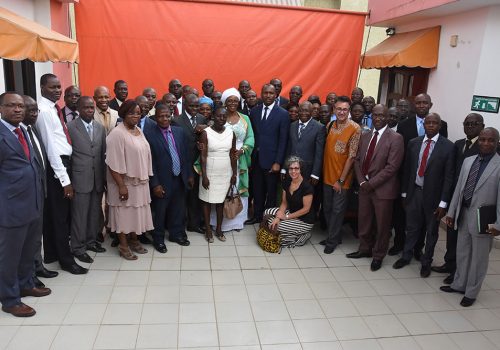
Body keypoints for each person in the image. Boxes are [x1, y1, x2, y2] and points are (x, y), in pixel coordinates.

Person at [0, 92, 49, 317]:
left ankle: (26, 283)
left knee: (29, 250)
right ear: (1, 109)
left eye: (20, 106)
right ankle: (10, 299)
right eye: (11, 106)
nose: (18, 110)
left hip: (33, 203)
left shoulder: (23, 131)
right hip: (10, 208)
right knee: (9, 256)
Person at [441, 128, 500, 307]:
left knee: (479, 258)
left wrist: (498, 223)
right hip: (464, 214)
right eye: (482, 140)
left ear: (497, 142)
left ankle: (472, 292)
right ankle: (459, 284)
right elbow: (459, 189)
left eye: (490, 140)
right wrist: (451, 213)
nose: (485, 143)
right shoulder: (468, 161)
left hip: (484, 219)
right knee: (463, 252)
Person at [36, 73, 87, 274]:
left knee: (53, 214)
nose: (57, 90)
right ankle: (66, 260)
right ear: (42, 88)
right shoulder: (44, 111)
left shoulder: (53, 109)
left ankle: (51, 254)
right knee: (60, 216)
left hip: (62, 164)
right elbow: (50, 148)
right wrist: (65, 180)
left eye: (58, 87)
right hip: (57, 167)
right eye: (52, 87)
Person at [393, 113, 455, 277]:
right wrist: (405, 193)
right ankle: (406, 256)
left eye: (435, 123)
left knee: (431, 231)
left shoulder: (448, 147)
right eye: (428, 122)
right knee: (411, 227)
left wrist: (443, 203)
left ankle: (426, 262)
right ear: (424, 125)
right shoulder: (414, 143)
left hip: (434, 198)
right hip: (414, 192)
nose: (431, 125)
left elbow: (449, 177)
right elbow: (407, 170)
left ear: (439, 126)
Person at [347, 104, 404, 271]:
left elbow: (392, 167)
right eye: (375, 115)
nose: (378, 118)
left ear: (387, 117)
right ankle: (364, 249)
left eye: (382, 115)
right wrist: (362, 182)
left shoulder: (395, 138)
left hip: (382, 191)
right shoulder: (365, 136)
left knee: (382, 225)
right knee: (364, 221)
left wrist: (371, 183)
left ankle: (378, 255)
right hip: (365, 187)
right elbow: (357, 160)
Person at [433, 113, 485, 284]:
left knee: (466, 240)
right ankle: (449, 264)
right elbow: (451, 173)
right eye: (467, 123)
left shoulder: (486, 146)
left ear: (481, 126)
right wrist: (446, 199)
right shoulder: (459, 144)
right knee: (452, 234)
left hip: (473, 201)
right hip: (455, 198)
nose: (470, 126)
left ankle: (459, 272)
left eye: (474, 124)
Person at [106, 100, 153, 260]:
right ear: (123, 114)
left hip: (139, 182)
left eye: (138, 113)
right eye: (132, 113)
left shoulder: (138, 130)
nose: (136, 116)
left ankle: (134, 240)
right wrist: (121, 186)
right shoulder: (117, 134)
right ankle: (123, 245)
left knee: (135, 212)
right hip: (123, 182)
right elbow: (112, 163)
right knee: (123, 214)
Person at [144, 104, 193, 253]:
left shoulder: (179, 132)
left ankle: (176, 234)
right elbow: (150, 162)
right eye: (160, 116)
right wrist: (155, 184)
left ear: (171, 115)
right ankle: (158, 239)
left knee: (178, 209)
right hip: (162, 181)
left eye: (167, 116)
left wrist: (189, 174)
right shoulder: (150, 135)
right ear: (155, 117)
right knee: (160, 211)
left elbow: (185, 155)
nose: (164, 119)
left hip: (179, 178)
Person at [22, 96, 58, 286]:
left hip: (39, 190)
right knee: (26, 238)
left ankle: (38, 266)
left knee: (37, 235)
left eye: (36, 110)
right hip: (24, 196)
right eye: (30, 110)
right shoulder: (17, 134)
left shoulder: (32, 129)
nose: (34, 113)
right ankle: (29, 276)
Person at [67, 96, 107, 264]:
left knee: (94, 212)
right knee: (80, 215)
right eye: (86, 107)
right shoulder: (70, 127)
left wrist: (104, 178)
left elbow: (102, 153)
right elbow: (67, 156)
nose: (89, 110)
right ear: (78, 108)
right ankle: (77, 247)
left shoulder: (99, 127)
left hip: (97, 177)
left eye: (92, 107)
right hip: (80, 178)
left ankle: (91, 242)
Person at [209, 88, 254, 231]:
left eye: (235, 100)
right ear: (224, 102)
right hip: (222, 159)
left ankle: (237, 222)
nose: (233, 103)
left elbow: (251, 137)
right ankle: (218, 223)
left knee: (238, 187)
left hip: (240, 158)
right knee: (221, 188)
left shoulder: (245, 118)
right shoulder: (220, 117)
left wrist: (243, 150)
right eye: (230, 100)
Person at [322, 96, 361, 254]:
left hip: (341, 180)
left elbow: (351, 157)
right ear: (334, 109)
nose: (342, 112)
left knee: (338, 211)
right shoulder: (330, 125)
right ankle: (334, 236)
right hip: (326, 176)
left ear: (349, 111)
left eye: (345, 109)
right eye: (339, 109)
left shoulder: (355, 128)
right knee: (327, 208)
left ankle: (332, 241)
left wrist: (341, 180)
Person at [246, 84, 289, 224]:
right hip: (256, 159)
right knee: (257, 190)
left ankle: (267, 219)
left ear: (276, 94)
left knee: (271, 193)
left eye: (271, 93)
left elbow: (283, 140)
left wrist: (278, 162)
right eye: (265, 93)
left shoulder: (283, 114)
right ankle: (257, 216)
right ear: (261, 94)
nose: (268, 95)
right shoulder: (254, 111)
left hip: (272, 161)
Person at [199, 107, 237, 242]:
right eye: (219, 116)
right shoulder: (205, 133)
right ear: (213, 117)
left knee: (221, 202)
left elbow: (233, 154)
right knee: (207, 201)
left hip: (225, 172)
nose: (222, 119)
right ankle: (208, 230)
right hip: (209, 172)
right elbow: (202, 157)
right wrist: (204, 176)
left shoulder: (231, 133)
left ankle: (219, 229)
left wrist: (234, 174)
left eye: (224, 116)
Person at [172, 94, 207, 237]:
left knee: (195, 196)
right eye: (191, 106)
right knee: (182, 197)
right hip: (182, 163)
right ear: (185, 104)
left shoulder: (202, 119)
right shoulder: (177, 120)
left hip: (199, 163)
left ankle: (194, 224)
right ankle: (179, 224)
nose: (194, 109)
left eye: (197, 106)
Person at [265, 156, 315, 248]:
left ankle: (303, 236)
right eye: (291, 168)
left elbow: (306, 209)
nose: (293, 171)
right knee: (267, 213)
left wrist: (286, 217)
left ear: (301, 170)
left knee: (276, 226)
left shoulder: (307, 187)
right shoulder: (287, 182)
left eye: (296, 168)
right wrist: (278, 217)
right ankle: (288, 234)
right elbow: (284, 203)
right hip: (292, 213)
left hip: (304, 220)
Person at [285, 101, 325, 183]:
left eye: (306, 111)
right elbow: (288, 149)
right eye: (301, 110)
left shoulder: (319, 128)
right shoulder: (292, 126)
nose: (303, 113)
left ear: (311, 112)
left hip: (308, 171)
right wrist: (284, 168)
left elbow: (319, 153)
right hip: (291, 170)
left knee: (306, 195)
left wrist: (315, 174)